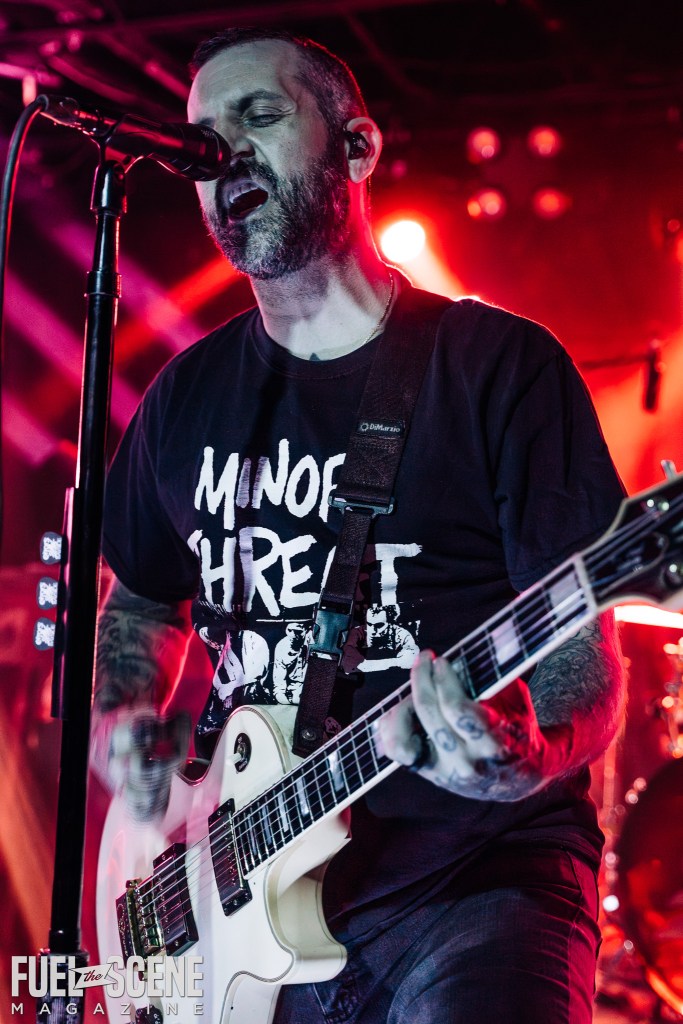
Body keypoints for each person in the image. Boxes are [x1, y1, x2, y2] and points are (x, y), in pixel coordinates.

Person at [92, 26, 626, 1024]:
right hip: (233, 890)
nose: (222, 154)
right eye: (202, 138)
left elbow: (577, 656)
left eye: (259, 116)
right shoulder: (183, 397)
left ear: (356, 146)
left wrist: (524, 754)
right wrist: (124, 723)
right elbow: (138, 603)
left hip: (471, 883)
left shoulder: (496, 368)